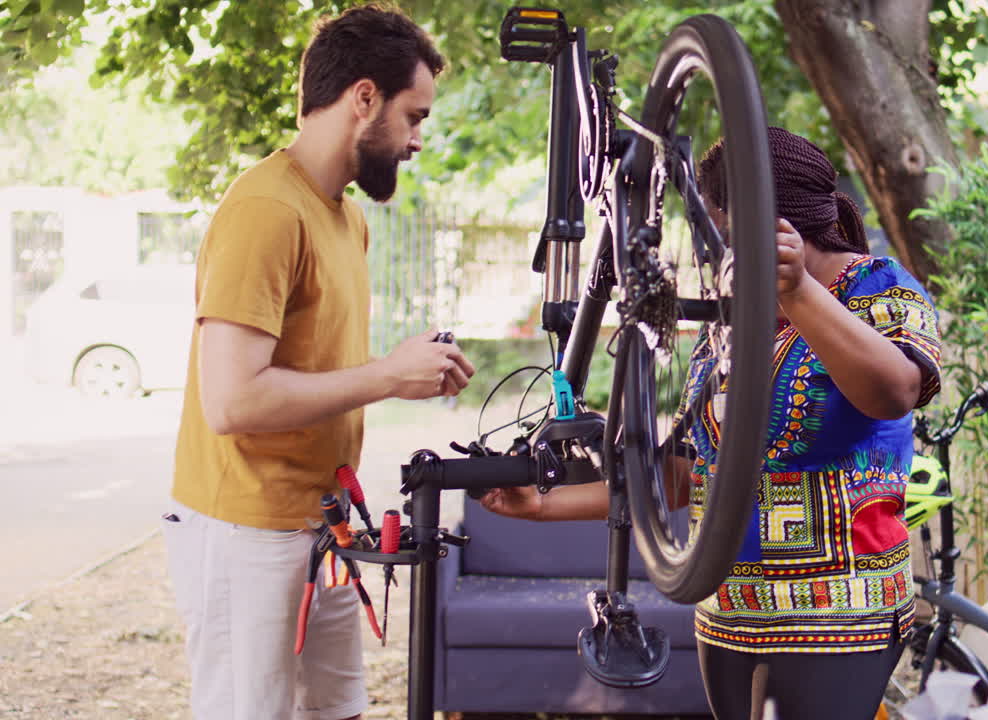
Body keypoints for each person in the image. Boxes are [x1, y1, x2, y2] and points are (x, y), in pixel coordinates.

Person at [480, 127, 942, 719]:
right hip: (728, 617)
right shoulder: (730, 323)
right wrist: (542, 506)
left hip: (840, 616)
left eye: (717, 230)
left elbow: (895, 390)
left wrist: (796, 287)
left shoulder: (879, 290)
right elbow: (679, 477)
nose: (709, 252)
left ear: (766, 219)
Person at [161, 6, 474, 720]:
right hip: (247, 531)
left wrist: (409, 370)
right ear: (364, 99)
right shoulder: (266, 209)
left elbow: (312, 371)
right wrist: (387, 375)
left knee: (339, 711)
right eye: (413, 116)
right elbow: (232, 401)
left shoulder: (345, 216)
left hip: (321, 523)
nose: (419, 140)